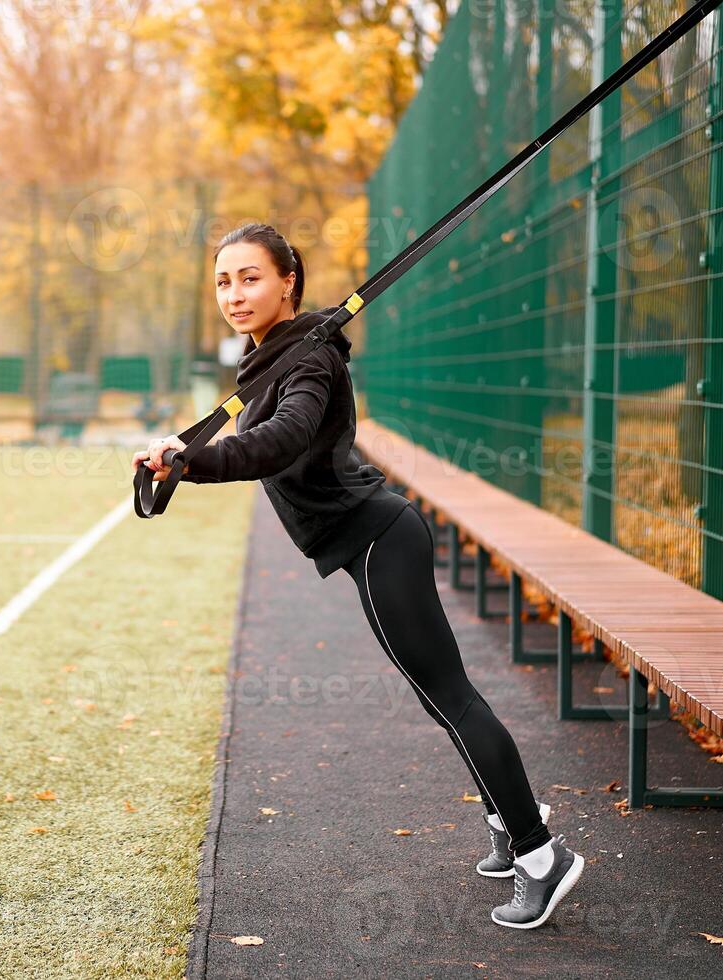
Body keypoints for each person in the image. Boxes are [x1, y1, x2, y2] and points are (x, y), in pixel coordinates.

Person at [132, 222, 585, 930]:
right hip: (367, 542)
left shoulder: (309, 360)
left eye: (250, 277)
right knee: (441, 700)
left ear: (289, 280)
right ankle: (507, 821)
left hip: (377, 539)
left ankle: (539, 855)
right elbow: (254, 429)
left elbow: (279, 439)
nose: (234, 293)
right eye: (223, 280)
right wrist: (181, 453)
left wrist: (197, 463)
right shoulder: (273, 358)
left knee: (452, 698)